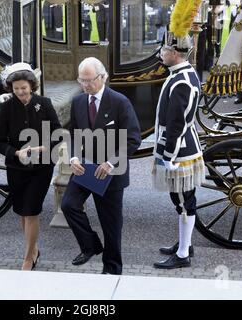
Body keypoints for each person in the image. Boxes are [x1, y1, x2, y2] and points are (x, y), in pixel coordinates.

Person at [61, 57, 141, 275]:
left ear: (103, 77)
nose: (85, 85)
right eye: (81, 80)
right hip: (86, 169)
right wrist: (74, 157)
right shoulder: (78, 101)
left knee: (111, 225)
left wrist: (110, 162)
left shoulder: (119, 102)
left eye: (89, 80)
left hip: (111, 173)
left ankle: (112, 269)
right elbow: (75, 134)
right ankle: (90, 246)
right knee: (68, 205)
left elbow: (133, 139)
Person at [0, 63, 62, 271]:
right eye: (16, 89)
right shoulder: (6, 108)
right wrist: (16, 153)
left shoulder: (45, 103)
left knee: (31, 211)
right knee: (22, 212)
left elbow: (58, 134)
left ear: (32, 85)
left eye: (24, 88)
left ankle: (27, 257)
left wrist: (44, 147)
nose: (20, 92)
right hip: (16, 167)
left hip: (41, 167)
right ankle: (34, 250)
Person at [152, 27, 205, 269]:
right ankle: (185, 243)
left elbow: (177, 123)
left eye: (164, 49)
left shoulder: (182, 80)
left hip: (179, 150)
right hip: (181, 146)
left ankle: (183, 253)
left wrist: (168, 155)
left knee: (184, 202)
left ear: (174, 52)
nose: (161, 53)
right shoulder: (182, 73)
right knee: (181, 201)